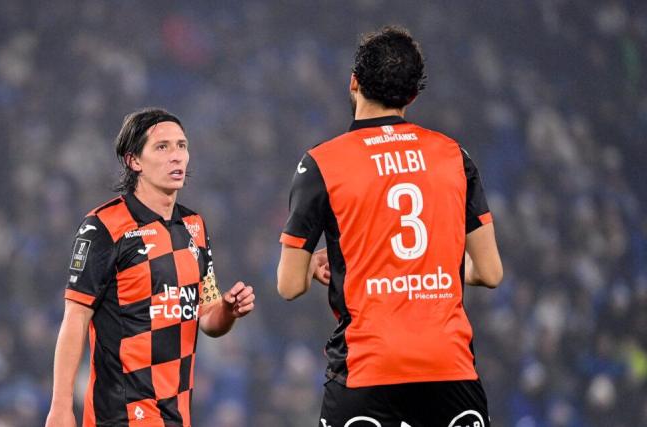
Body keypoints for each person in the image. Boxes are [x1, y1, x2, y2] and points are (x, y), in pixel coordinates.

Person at [276, 26, 503, 427]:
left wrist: (315, 266)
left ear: (354, 82)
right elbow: (489, 272)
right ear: (413, 96)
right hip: (449, 369)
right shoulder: (454, 157)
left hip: (367, 369)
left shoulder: (321, 163)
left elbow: (289, 286)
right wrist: (431, 270)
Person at [46, 108, 255, 427]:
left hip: (176, 415)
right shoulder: (104, 227)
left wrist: (227, 309)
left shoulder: (194, 227)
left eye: (182, 146)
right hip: (120, 416)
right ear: (134, 161)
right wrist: (60, 407)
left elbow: (209, 318)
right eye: (163, 147)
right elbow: (76, 318)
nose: (177, 157)